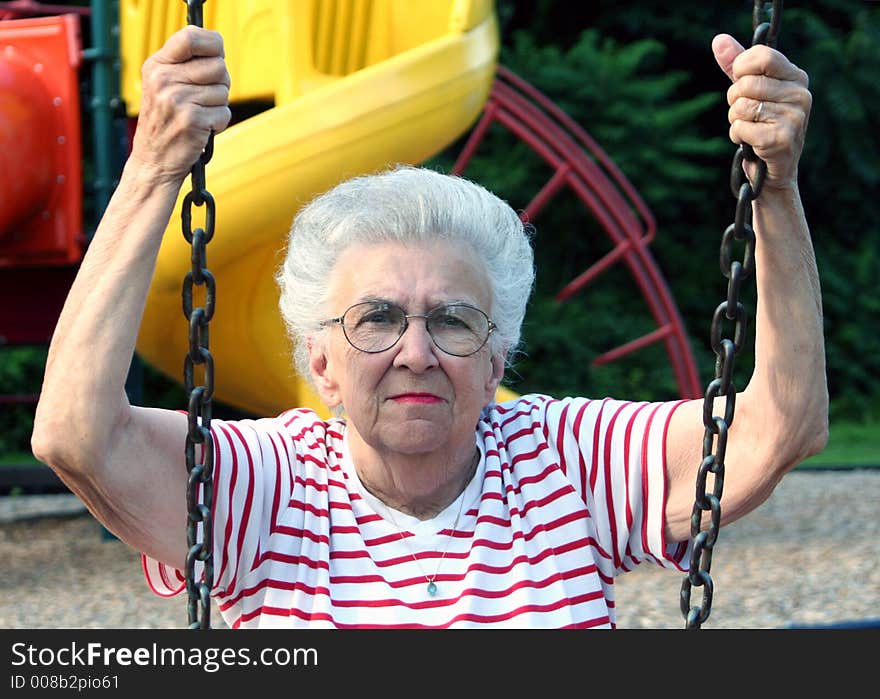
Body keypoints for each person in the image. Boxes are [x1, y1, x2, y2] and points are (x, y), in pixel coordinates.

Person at [31, 25, 827, 628]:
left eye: (453, 321)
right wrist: (153, 171)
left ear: (497, 355)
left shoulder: (569, 463)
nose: (415, 352)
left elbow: (778, 426)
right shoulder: (263, 488)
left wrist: (777, 193)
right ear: (320, 360)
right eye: (376, 318)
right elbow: (75, 434)